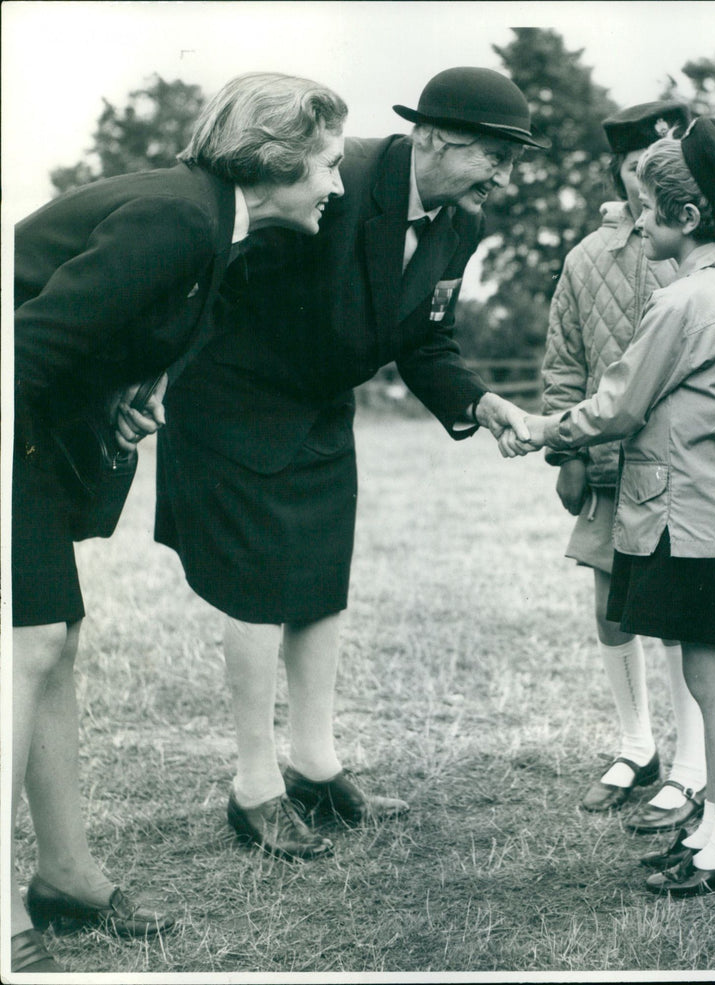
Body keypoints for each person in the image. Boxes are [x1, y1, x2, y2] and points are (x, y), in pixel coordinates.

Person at [154, 66, 548, 863]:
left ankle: (315, 765)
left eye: (510, 159)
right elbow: (217, 265)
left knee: (319, 582)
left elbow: (424, 338)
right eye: (493, 154)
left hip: (322, 405)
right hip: (235, 397)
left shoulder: (459, 221)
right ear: (435, 138)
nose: (502, 175)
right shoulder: (336, 176)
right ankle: (254, 787)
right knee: (258, 586)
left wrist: (482, 403)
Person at [10, 71, 348, 973]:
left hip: (32, 421)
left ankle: (68, 878)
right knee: (29, 639)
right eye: (326, 164)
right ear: (275, 162)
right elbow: (25, 345)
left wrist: (117, 392)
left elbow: (85, 335)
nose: (337, 186)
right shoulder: (182, 218)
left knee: (54, 638)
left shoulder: (213, 224)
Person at [508, 117, 715, 895]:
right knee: (713, 676)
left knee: (712, 682)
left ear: (685, 219)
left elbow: (616, 405)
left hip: (679, 521)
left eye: (648, 212)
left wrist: (540, 428)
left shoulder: (682, 302)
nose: (638, 222)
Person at [541, 100, 711, 831]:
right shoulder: (585, 258)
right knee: (614, 607)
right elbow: (564, 361)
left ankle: (691, 764)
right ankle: (636, 744)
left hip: (680, 475)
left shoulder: (709, 256)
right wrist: (566, 451)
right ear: (619, 170)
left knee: (679, 617)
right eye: (636, 160)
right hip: (608, 466)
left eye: (664, 155)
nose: (646, 171)